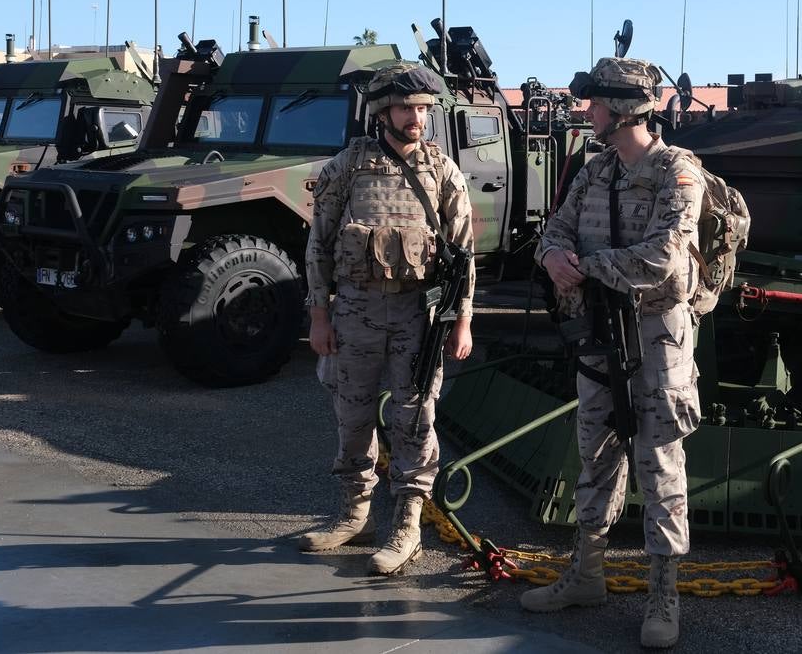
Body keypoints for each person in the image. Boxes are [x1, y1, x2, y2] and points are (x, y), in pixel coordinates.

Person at [520, 56, 704, 649]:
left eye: (594, 103)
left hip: (657, 342)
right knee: (595, 452)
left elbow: (667, 262)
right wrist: (552, 258)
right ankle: (587, 575)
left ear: (621, 109)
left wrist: (586, 270)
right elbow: (555, 230)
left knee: (658, 465)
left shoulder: (677, 172)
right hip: (601, 336)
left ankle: (663, 592)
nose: (586, 111)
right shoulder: (595, 171)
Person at [298, 62, 475, 574]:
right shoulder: (347, 167)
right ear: (382, 112)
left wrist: (461, 321)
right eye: (406, 108)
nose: (417, 118)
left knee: (414, 418)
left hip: (418, 315)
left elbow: (461, 255)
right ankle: (354, 514)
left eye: (423, 108)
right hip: (353, 308)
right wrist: (319, 317)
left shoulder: (443, 171)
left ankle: (407, 526)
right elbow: (319, 247)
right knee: (351, 414)